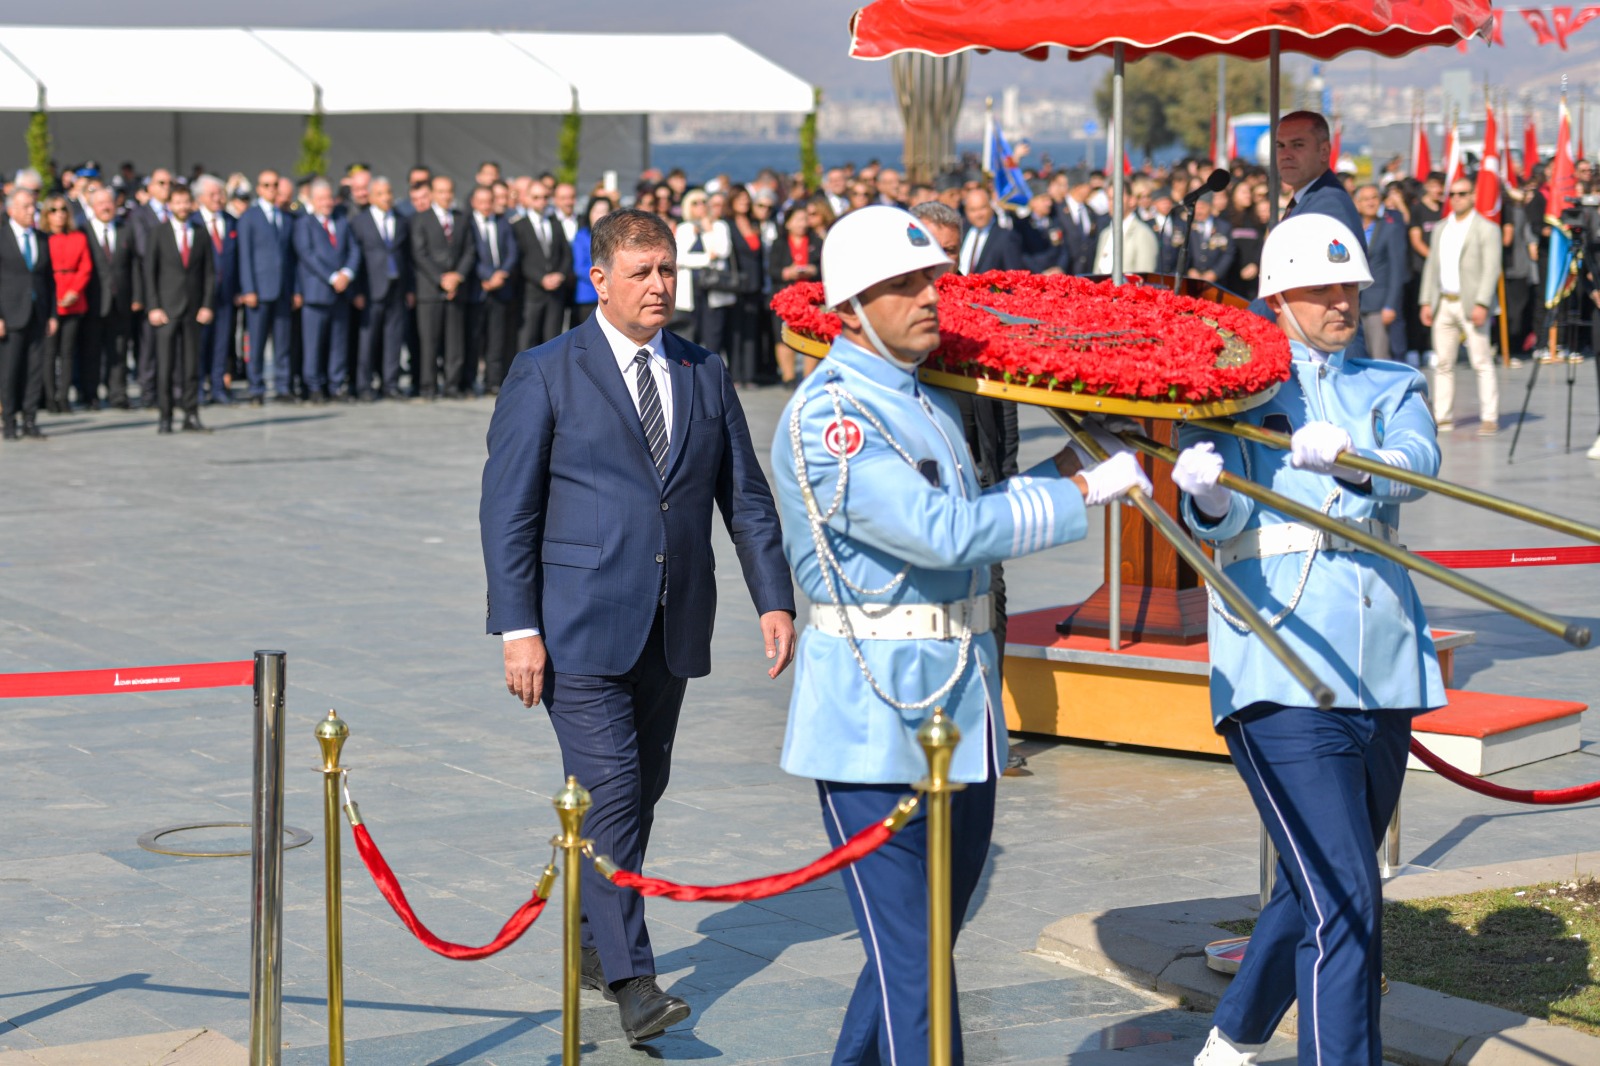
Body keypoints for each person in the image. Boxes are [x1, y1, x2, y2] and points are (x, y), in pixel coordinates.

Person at [773, 205, 1149, 1065]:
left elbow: (974, 508)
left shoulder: (925, 401)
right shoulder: (832, 420)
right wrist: (1083, 497)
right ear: (849, 307)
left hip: (959, 717)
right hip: (875, 723)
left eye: (929, 280)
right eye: (901, 286)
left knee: (918, 953)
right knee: (914, 970)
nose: (927, 298)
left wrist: (1072, 465)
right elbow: (943, 534)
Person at [481, 208, 796, 1047]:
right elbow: (507, 511)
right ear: (600, 280)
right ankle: (633, 981)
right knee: (615, 790)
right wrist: (518, 627)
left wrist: (775, 597)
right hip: (576, 627)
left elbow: (747, 497)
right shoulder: (546, 372)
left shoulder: (704, 369)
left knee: (637, 794)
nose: (659, 287)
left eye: (668, 271)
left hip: (674, 622)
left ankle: (593, 937)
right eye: (642, 272)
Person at [1170, 214, 1444, 1066]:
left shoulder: (1388, 381)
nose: (1343, 301)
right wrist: (1209, 498)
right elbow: (1218, 511)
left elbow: (1420, 460)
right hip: (1279, 668)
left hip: (1382, 671)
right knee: (1350, 895)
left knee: (1318, 879)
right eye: (1323, 289)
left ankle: (1233, 1039)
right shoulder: (1230, 386)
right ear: (1278, 296)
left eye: (1351, 287)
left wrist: (1357, 460)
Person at [1421, 177, 1502, 434]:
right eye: (1452, 194)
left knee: (1481, 361)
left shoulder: (1487, 228)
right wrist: (1425, 301)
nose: (1456, 198)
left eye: (1462, 193)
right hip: (1444, 301)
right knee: (1443, 362)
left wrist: (1481, 303)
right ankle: (1443, 416)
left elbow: (1491, 269)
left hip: (1471, 303)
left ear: (1473, 195)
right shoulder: (1441, 227)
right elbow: (1431, 266)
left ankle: (1489, 416)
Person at [143, 183, 214, 434]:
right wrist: (153, 306)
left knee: (191, 366)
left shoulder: (201, 233)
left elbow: (208, 273)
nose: (182, 207)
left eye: (186, 202)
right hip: (166, 310)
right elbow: (149, 273)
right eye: (178, 202)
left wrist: (207, 304)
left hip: (194, 309)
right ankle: (165, 416)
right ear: (169, 205)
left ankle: (191, 414)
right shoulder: (158, 233)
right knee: (165, 365)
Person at [293, 179, 361, 403]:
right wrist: (333, 277)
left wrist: (347, 274)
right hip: (316, 293)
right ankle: (314, 386)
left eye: (329, 198)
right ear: (312, 200)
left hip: (341, 293)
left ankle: (336, 385)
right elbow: (308, 255)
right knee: (313, 344)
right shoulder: (305, 223)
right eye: (321, 198)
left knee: (338, 343)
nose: (326, 203)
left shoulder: (341, 222)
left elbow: (353, 250)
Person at [411, 175, 476, 400]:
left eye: (449, 191)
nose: (446, 196)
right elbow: (420, 254)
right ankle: (428, 386)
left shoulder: (462, 219)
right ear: (432, 194)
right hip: (430, 291)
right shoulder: (420, 219)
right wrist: (441, 278)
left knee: (455, 342)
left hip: (456, 290)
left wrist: (457, 276)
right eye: (441, 192)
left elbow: (470, 250)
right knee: (429, 342)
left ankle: (451, 386)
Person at [348, 176, 413, 401]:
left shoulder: (402, 220)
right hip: (370, 289)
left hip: (397, 287)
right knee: (368, 339)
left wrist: (409, 289)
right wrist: (355, 291)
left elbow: (407, 256)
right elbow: (354, 257)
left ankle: (390, 384)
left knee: (393, 338)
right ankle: (364, 384)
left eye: (389, 193)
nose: (387, 197)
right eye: (381, 193)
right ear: (371, 196)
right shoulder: (359, 222)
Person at [0, 189, 57, 440]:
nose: (31, 211)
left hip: (38, 313)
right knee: (10, 370)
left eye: (33, 207)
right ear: (11, 210)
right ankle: (9, 420)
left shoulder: (42, 238)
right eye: (25, 207)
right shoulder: (2, 238)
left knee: (36, 369)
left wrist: (52, 314)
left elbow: (48, 279)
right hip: (10, 315)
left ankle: (30, 419)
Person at [237, 170, 299, 404]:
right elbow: (245, 256)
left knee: (282, 342)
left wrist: (296, 289)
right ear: (259, 188)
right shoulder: (249, 217)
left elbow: (292, 258)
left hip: (283, 290)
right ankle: (256, 388)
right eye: (267, 185)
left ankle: (283, 386)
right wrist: (248, 289)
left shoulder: (286, 217)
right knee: (257, 342)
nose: (272, 189)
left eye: (275, 185)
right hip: (259, 291)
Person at [81, 187, 139, 411]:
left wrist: (137, 296)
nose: (106, 207)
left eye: (109, 203)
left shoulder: (126, 229)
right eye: (101, 203)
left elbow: (133, 265)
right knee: (92, 351)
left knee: (120, 351)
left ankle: (118, 394)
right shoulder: (83, 231)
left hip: (121, 301)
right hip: (94, 302)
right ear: (92, 207)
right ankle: (91, 394)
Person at [466, 184, 520, 395]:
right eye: (481, 202)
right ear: (473, 203)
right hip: (477, 290)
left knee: (496, 339)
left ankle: (493, 381)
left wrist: (501, 274)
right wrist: (487, 276)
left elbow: (512, 253)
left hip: (500, 289)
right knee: (474, 339)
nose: (486, 206)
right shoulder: (468, 224)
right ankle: (470, 380)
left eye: (489, 201)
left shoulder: (503, 223)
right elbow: (470, 254)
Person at [41, 194, 90, 415]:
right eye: (53, 210)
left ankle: (64, 398)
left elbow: (85, 267)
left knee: (67, 352)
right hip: (50, 300)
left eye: (63, 209)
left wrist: (74, 291)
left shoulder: (78, 237)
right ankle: (50, 397)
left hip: (73, 298)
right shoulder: (42, 238)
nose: (59, 214)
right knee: (49, 353)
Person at [192, 175, 239, 405]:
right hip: (200, 296)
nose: (218, 198)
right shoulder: (193, 222)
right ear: (200, 198)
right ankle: (198, 387)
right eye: (212, 194)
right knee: (200, 343)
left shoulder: (231, 221)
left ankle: (218, 386)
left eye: (221, 193)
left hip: (226, 293)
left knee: (222, 342)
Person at [510, 182, 570, 352]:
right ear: (527, 199)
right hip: (530, 293)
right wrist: (540, 278)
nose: (541, 201)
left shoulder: (555, 223)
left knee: (553, 343)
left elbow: (566, 254)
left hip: (555, 294)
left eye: (545, 197)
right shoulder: (519, 226)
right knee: (527, 341)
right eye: (536, 197)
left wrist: (560, 274)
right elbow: (520, 260)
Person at [768, 201, 821, 387]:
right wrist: (786, 272)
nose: (802, 223)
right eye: (798, 219)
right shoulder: (779, 243)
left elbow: (822, 266)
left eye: (805, 219)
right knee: (782, 335)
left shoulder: (816, 241)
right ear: (788, 222)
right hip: (786, 296)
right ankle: (788, 376)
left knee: (810, 335)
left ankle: (809, 377)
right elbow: (772, 269)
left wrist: (813, 270)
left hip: (810, 297)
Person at [1355, 183, 1408, 361]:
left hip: (1379, 305)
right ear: (1357, 204)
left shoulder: (1390, 228)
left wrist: (1390, 305)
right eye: (1365, 199)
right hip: (1355, 303)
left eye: (1374, 198)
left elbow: (1397, 269)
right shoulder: (1352, 229)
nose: (1371, 203)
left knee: (1379, 358)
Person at [568, 196, 612, 328]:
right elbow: (579, 267)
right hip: (587, 295)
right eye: (597, 211)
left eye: (605, 211)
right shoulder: (582, 236)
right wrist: (604, 278)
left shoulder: (614, 238)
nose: (601, 215)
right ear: (589, 213)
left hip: (609, 296)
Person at [959, 188, 1025, 274]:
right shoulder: (961, 232)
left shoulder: (1006, 237)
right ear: (966, 211)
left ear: (991, 207)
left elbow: (1013, 274)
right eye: (973, 210)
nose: (978, 214)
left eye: (982, 208)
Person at [1093, 193, 1160, 274]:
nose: (1112, 203)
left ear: (1131, 200)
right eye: (1109, 198)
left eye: (1116, 198)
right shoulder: (1105, 234)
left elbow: (1144, 275)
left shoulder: (1143, 233)